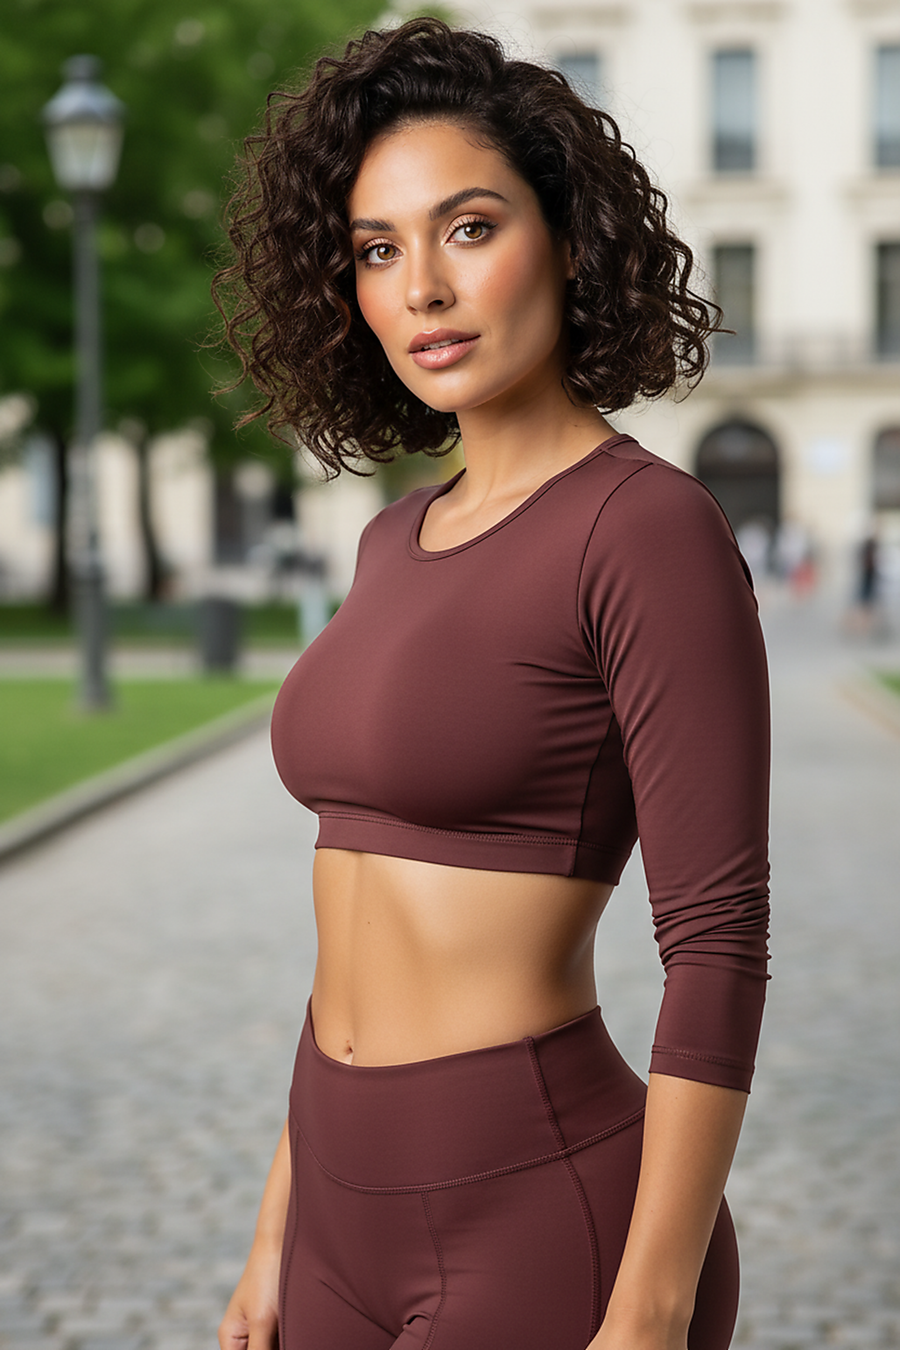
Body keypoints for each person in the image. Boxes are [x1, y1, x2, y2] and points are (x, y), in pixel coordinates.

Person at [213, 18, 770, 1350]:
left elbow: (718, 944)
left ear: (568, 240)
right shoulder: (394, 539)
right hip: (334, 1213)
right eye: (377, 248)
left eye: (468, 227)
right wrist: (276, 1230)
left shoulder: (643, 528)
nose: (423, 287)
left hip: (538, 1212)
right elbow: (349, 930)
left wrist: (649, 1306)